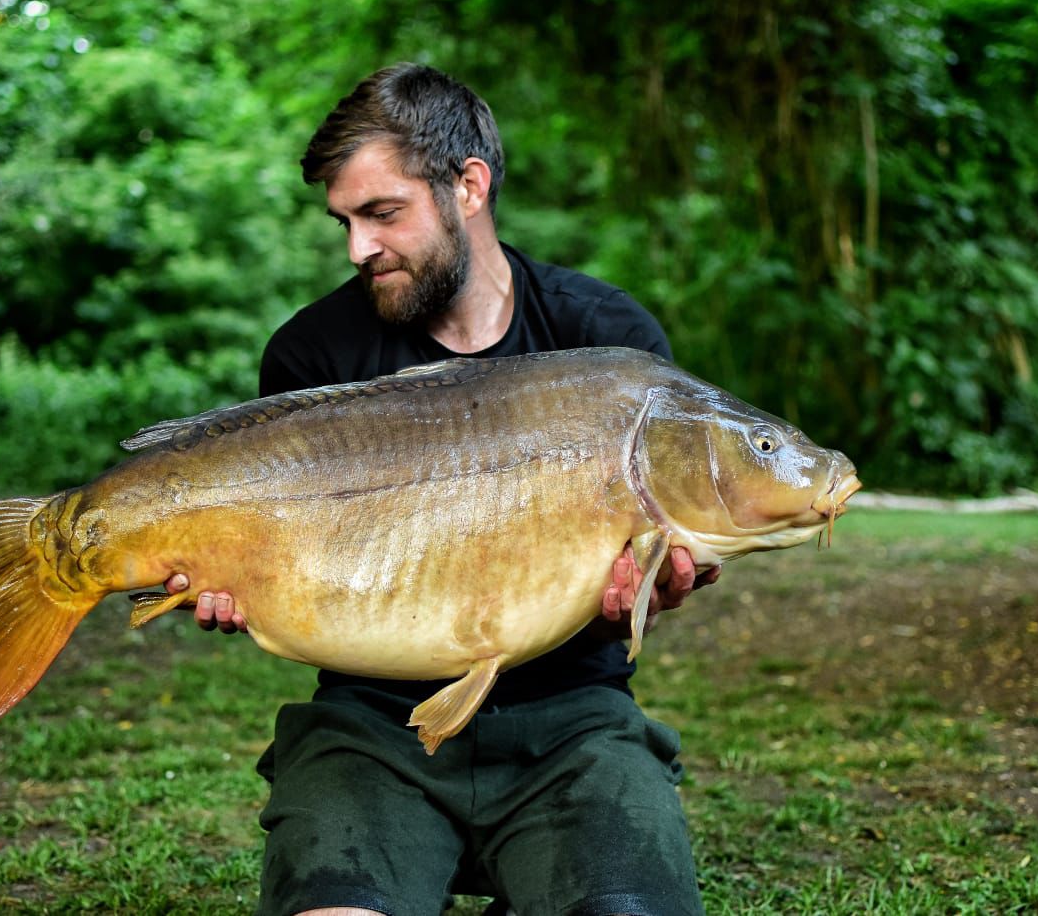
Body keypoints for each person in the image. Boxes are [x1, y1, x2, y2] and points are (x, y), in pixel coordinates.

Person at [165, 64, 719, 916]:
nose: (358, 248)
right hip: (369, 725)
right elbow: (300, 580)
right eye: (345, 221)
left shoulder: (605, 342)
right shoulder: (313, 354)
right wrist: (237, 583)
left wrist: (649, 589)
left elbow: (643, 564)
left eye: (382, 214)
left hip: (571, 722)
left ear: (468, 186)